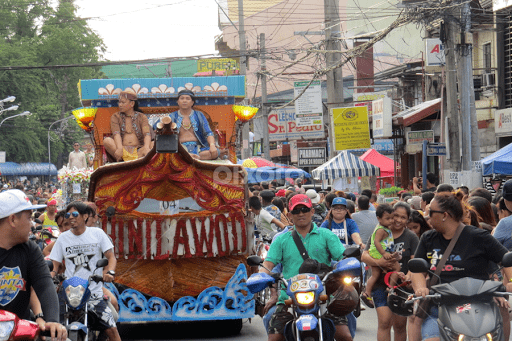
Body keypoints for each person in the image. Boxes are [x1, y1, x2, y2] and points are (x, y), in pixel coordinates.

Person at [412, 192, 512, 341]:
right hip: (439, 305)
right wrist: (421, 288)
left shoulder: (479, 237)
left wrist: (509, 283)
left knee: (500, 316)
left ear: (445, 215)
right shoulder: (428, 238)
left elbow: (506, 260)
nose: (427, 217)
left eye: (431, 212)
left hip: (480, 305)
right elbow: (416, 270)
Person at [262, 194, 352, 341]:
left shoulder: (326, 235)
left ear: (312, 211)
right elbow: (268, 264)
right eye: (296, 211)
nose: (301, 214)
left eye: (304, 209)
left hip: (324, 296)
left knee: (345, 335)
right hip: (288, 298)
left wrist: (348, 266)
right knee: (274, 338)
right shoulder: (281, 239)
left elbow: (343, 257)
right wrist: (260, 275)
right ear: (290, 215)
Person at [0, 190, 67, 341]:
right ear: (12, 220)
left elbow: (44, 285)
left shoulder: (30, 249)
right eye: (29, 217)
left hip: (21, 333)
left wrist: (52, 320)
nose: (32, 223)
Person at [49, 201, 121, 341]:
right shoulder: (63, 238)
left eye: (75, 214)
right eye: (68, 214)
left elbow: (111, 257)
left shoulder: (98, 233)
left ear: (85, 216)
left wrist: (109, 272)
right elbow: (54, 264)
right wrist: (49, 277)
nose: (70, 217)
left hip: (93, 294)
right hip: (69, 294)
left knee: (112, 329)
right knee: (54, 330)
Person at [361, 202, 419, 341]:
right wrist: (379, 262)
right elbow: (364, 255)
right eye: (395, 216)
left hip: (401, 286)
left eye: (403, 217)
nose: (398, 220)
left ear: (407, 220)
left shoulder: (411, 237)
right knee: (384, 322)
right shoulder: (380, 232)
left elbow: (414, 263)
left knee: (399, 325)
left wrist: (408, 276)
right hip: (380, 284)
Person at [153, 89, 218, 160]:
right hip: (180, 149)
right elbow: (155, 127)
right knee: (169, 155)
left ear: (192, 102)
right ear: (178, 101)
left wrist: (212, 145)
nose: (184, 101)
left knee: (216, 152)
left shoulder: (199, 115)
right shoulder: (172, 116)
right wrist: (163, 124)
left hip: (198, 148)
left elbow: (208, 133)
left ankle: (188, 157)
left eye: (187, 98)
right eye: (182, 98)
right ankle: (191, 157)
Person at [361, 204, 401, 308]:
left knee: (375, 275)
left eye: (392, 218)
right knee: (397, 268)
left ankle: (367, 293)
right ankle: (391, 288)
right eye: (387, 219)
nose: (391, 221)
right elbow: (376, 242)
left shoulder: (385, 228)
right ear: (378, 219)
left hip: (379, 254)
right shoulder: (381, 230)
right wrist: (384, 254)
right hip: (379, 254)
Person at [104, 90, 153, 162]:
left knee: (153, 144)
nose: (120, 105)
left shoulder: (142, 117)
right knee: (107, 141)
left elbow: (147, 134)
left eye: (123, 102)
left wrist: (146, 147)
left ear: (132, 103)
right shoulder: (115, 116)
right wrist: (120, 148)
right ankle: (132, 161)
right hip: (122, 150)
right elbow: (116, 134)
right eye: (119, 102)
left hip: (139, 150)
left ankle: (129, 161)